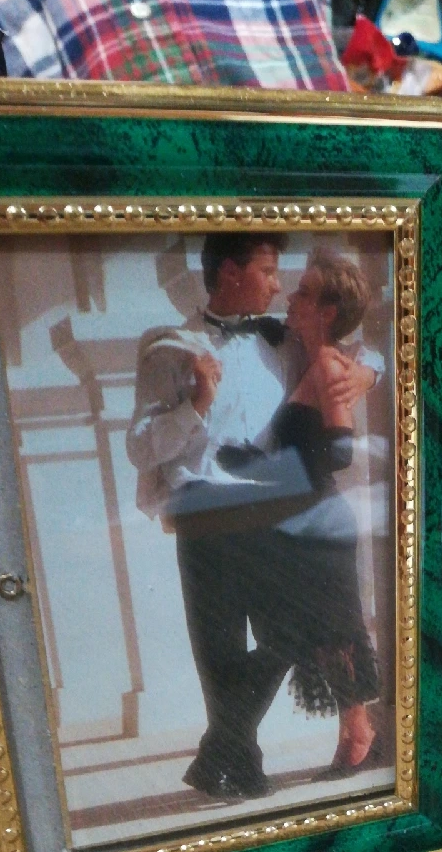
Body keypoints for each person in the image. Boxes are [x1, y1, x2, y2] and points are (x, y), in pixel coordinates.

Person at [126, 233, 380, 800]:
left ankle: (220, 752)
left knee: (288, 636)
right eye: (267, 271)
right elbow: (140, 449)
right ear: (231, 272)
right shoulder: (169, 350)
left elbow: (355, 348)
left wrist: (368, 375)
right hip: (203, 515)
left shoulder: (286, 340)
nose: (277, 285)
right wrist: (196, 405)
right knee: (217, 649)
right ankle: (243, 764)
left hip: (273, 514)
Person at [275, 248, 383, 772]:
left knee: (337, 630)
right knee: (325, 632)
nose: (290, 298)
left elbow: (340, 450)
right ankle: (353, 731)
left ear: (328, 311)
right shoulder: (316, 357)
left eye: (303, 292)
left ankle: (358, 733)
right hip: (307, 518)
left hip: (320, 516)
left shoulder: (326, 363)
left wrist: (284, 466)